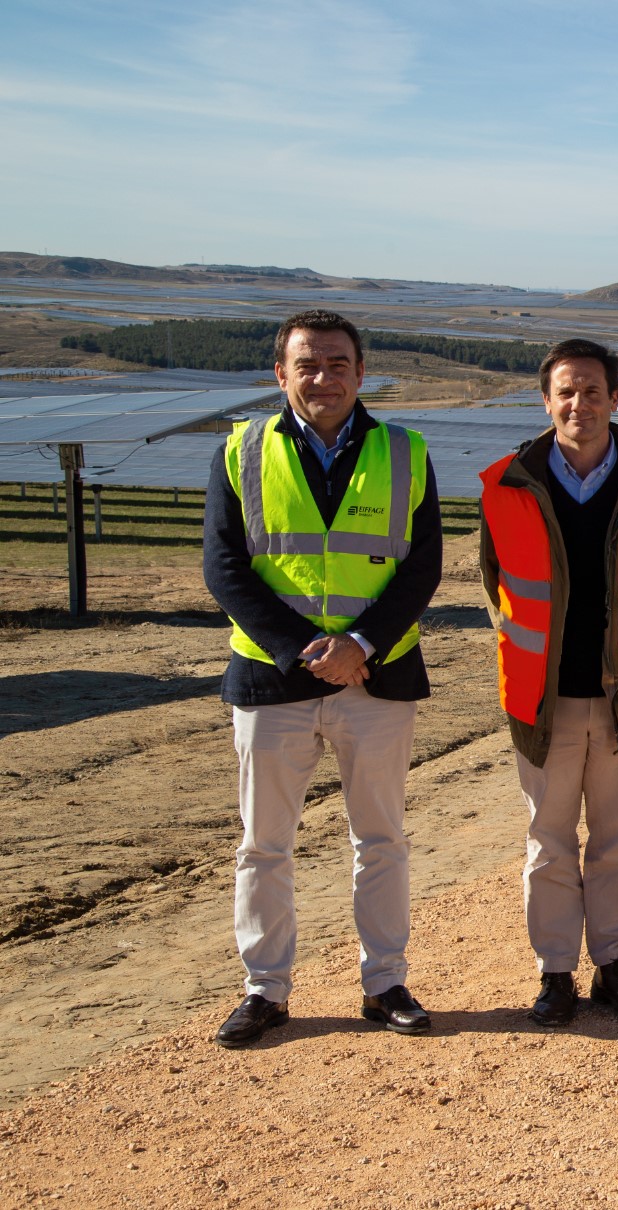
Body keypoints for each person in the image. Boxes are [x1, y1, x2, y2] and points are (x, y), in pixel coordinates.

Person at [203, 310, 441, 1046]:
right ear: (280, 374)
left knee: (381, 839)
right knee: (263, 844)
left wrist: (362, 643)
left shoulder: (406, 451)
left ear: (361, 373)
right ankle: (265, 991)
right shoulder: (240, 451)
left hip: (376, 678)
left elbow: (422, 566)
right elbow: (225, 568)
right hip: (275, 682)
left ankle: (385, 983)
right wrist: (309, 649)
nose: (323, 378)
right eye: (307, 365)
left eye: (338, 364)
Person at [479, 338, 618, 1026]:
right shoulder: (506, 484)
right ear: (547, 401)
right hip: (544, 700)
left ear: (614, 399)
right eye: (566, 391)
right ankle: (555, 973)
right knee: (548, 842)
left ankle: (613, 964)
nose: (579, 403)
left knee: (615, 838)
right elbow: (498, 583)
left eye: (592, 391)